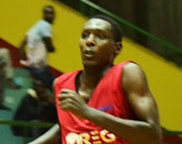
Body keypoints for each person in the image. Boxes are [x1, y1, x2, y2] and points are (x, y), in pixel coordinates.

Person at [28, 15, 161, 144]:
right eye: (85, 35)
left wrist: (86, 112)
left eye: (100, 36)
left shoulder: (127, 73)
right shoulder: (61, 84)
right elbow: (64, 129)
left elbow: (152, 137)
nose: (90, 41)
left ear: (117, 47)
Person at [20, 5, 56, 88]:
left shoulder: (37, 26)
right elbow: (50, 46)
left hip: (33, 66)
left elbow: (22, 44)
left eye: (52, 14)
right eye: (49, 13)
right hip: (39, 67)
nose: (51, 16)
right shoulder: (46, 26)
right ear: (44, 14)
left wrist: (23, 60)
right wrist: (52, 48)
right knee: (55, 86)